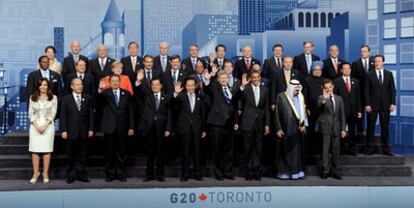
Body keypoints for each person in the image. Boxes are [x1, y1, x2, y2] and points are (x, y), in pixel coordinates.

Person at [203, 70, 240, 180]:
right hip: (217, 123)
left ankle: (228, 172)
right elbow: (207, 88)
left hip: (230, 123)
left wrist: (236, 122)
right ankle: (218, 173)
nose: (224, 80)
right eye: (222, 78)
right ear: (218, 80)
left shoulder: (230, 90)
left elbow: (233, 107)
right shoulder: (215, 88)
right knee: (217, 149)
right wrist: (208, 79)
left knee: (229, 150)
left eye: (226, 78)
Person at [97, 74, 135, 182]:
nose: (115, 83)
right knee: (109, 153)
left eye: (116, 81)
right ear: (110, 82)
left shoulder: (126, 93)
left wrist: (131, 126)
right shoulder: (105, 93)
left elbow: (130, 111)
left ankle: (120, 174)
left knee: (121, 153)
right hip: (109, 127)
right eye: (112, 81)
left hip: (123, 128)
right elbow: (97, 102)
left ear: (120, 82)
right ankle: (110, 174)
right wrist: (100, 90)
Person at [135, 73, 172, 182]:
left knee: (160, 152)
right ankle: (149, 175)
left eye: (157, 84)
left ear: (161, 86)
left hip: (162, 128)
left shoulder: (167, 97)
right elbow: (137, 93)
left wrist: (168, 129)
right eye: (153, 85)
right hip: (149, 128)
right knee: (150, 152)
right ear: (150, 86)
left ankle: (160, 175)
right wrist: (138, 81)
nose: (155, 86)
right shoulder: (147, 96)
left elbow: (169, 114)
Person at [237, 71, 270, 181]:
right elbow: (238, 99)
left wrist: (267, 124)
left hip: (260, 123)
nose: (256, 79)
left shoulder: (265, 90)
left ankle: (257, 172)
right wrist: (242, 86)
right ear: (251, 78)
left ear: (260, 78)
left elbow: (267, 109)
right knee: (247, 149)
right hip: (247, 122)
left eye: (257, 77)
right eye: (254, 77)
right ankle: (248, 172)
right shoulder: (245, 89)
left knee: (258, 149)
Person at [60, 78, 94, 184]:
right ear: (72, 86)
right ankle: (71, 175)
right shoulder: (66, 99)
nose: (80, 86)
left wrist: (91, 129)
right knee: (71, 155)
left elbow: (91, 115)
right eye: (77, 84)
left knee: (83, 155)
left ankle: (82, 175)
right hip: (71, 131)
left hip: (84, 131)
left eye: (81, 84)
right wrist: (64, 130)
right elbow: (63, 116)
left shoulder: (87, 98)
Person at [173, 77, 206, 182]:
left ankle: (198, 174)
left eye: (192, 85)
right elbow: (173, 107)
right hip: (184, 128)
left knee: (198, 152)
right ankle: (184, 174)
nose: (190, 87)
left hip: (197, 128)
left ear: (195, 86)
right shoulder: (181, 97)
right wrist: (175, 94)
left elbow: (203, 115)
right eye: (188, 85)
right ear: (185, 86)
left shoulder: (200, 97)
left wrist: (204, 129)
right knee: (185, 152)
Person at [274, 79, 308, 180]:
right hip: (286, 129)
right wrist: (278, 129)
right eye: (295, 87)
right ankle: (286, 173)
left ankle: (298, 173)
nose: (297, 89)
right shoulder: (281, 96)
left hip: (299, 129)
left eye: (298, 86)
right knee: (286, 152)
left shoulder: (301, 97)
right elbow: (276, 114)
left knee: (298, 152)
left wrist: (304, 125)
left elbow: (304, 112)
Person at [364, 55, 396, 156]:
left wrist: (393, 103)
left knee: (385, 127)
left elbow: (392, 90)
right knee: (371, 127)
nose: (377, 63)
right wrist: (367, 104)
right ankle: (370, 148)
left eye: (379, 61)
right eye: (376, 61)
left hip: (386, 105)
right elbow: (366, 91)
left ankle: (386, 149)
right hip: (372, 105)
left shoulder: (389, 74)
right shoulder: (369, 75)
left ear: (383, 62)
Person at [28, 78, 58, 184]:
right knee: (35, 150)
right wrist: (37, 126)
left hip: (48, 126)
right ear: (38, 86)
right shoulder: (32, 97)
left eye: (45, 85)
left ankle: (45, 173)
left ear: (48, 86)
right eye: (41, 85)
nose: (43, 87)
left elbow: (53, 113)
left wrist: (45, 125)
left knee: (47, 150)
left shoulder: (53, 98)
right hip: (35, 126)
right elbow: (30, 113)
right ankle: (35, 173)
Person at [316, 79, 347, 180]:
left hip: (337, 128)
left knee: (336, 151)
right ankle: (325, 171)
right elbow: (318, 109)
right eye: (326, 88)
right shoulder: (321, 98)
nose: (328, 89)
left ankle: (336, 171)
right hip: (325, 128)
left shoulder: (339, 99)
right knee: (325, 151)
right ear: (324, 89)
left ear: (333, 87)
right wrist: (324, 100)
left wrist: (343, 129)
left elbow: (342, 115)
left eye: (330, 87)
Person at [334, 62, 361, 155]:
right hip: (341, 111)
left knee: (352, 131)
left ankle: (352, 150)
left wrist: (359, 110)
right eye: (345, 68)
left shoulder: (355, 81)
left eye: (348, 68)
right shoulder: (337, 82)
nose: (347, 70)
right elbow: (335, 97)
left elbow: (358, 97)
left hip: (353, 111)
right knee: (341, 131)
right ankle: (342, 150)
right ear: (341, 70)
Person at [351, 45, 375, 137]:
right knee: (359, 114)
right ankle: (360, 131)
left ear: (369, 52)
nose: (363, 53)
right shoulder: (355, 63)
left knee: (371, 115)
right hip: (359, 93)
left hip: (371, 94)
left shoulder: (374, 63)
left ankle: (370, 133)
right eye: (361, 51)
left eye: (365, 51)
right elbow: (353, 79)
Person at [302, 61, 325, 154]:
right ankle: (311, 150)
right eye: (315, 70)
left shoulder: (324, 81)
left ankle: (320, 150)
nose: (317, 71)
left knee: (321, 131)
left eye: (319, 70)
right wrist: (306, 108)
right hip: (311, 110)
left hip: (322, 110)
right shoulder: (307, 80)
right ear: (312, 70)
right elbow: (305, 95)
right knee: (311, 131)